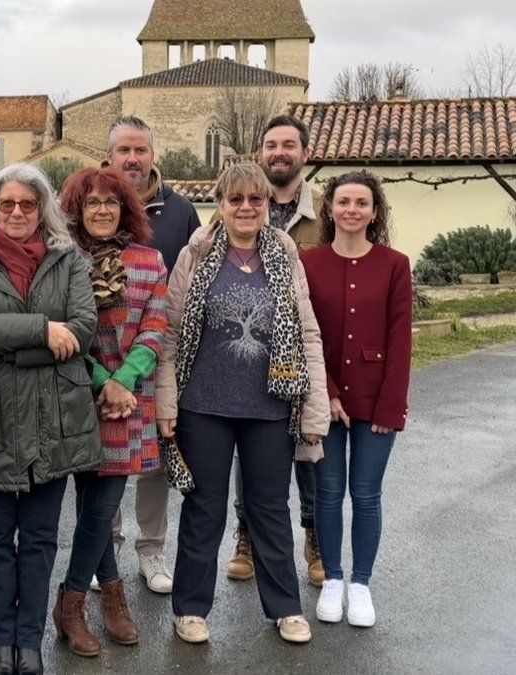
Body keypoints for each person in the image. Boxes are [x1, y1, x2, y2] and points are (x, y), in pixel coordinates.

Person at [157, 162, 329, 645]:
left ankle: (286, 608)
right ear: (221, 205)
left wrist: (314, 407)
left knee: (269, 508)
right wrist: (166, 403)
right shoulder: (197, 252)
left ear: (267, 204)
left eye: (256, 199)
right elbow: (170, 335)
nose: (247, 207)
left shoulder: (285, 254)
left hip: (271, 406)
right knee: (204, 508)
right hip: (203, 406)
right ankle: (190, 609)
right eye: (236, 199)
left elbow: (308, 332)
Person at [0, 162, 102, 675]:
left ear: (42, 209)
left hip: (54, 418)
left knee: (38, 538)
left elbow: (82, 330)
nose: (16, 212)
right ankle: (1, 644)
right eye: (6, 203)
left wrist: (4, 335)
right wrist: (42, 330)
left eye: (27, 204)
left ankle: (29, 643)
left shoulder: (68, 259)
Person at [51, 167, 168, 656]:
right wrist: (104, 380)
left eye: (111, 202)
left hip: (129, 400)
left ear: (127, 208)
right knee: (93, 502)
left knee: (101, 502)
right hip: (79, 393)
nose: (102, 210)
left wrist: (124, 380)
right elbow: (63, 329)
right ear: (76, 210)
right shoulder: (62, 258)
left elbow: (156, 326)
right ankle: (107, 598)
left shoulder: (150, 260)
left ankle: (74, 601)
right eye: (92, 202)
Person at [302, 171, 412, 628]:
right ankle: (333, 579)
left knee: (366, 494)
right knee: (327, 494)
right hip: (323, 397)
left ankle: (361, 584)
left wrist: (391, 405)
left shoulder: (395, 264)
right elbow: (303, 334)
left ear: (374, 211)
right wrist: (325, 394)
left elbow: (400, 339)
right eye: (343, 201)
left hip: (376, 398)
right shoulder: (309, 263)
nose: (351, 209)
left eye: (361, 203)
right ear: (329, 209)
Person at [104, 116, 201, 594]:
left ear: (152, 156)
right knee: (103, 457)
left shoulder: (180, 212)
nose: (133, 159)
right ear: (108, 157)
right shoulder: (89, 204)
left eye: (140, 150)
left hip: (161, 356)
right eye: (124, 150)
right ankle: (105, 550)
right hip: (103, 360)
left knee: (156, 458)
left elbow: (198, 275)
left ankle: (151, 549)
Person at [228, 115, 327, 586]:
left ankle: (314, 536)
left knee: (308, 448)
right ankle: (245, 534)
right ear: (261, 152)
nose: (279, 152)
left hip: (306, 346)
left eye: (289, 145)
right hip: (251, 352)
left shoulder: (326, 211)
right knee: (249, 453)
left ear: (305, 153)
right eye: (271, 145)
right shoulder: (242, 205)